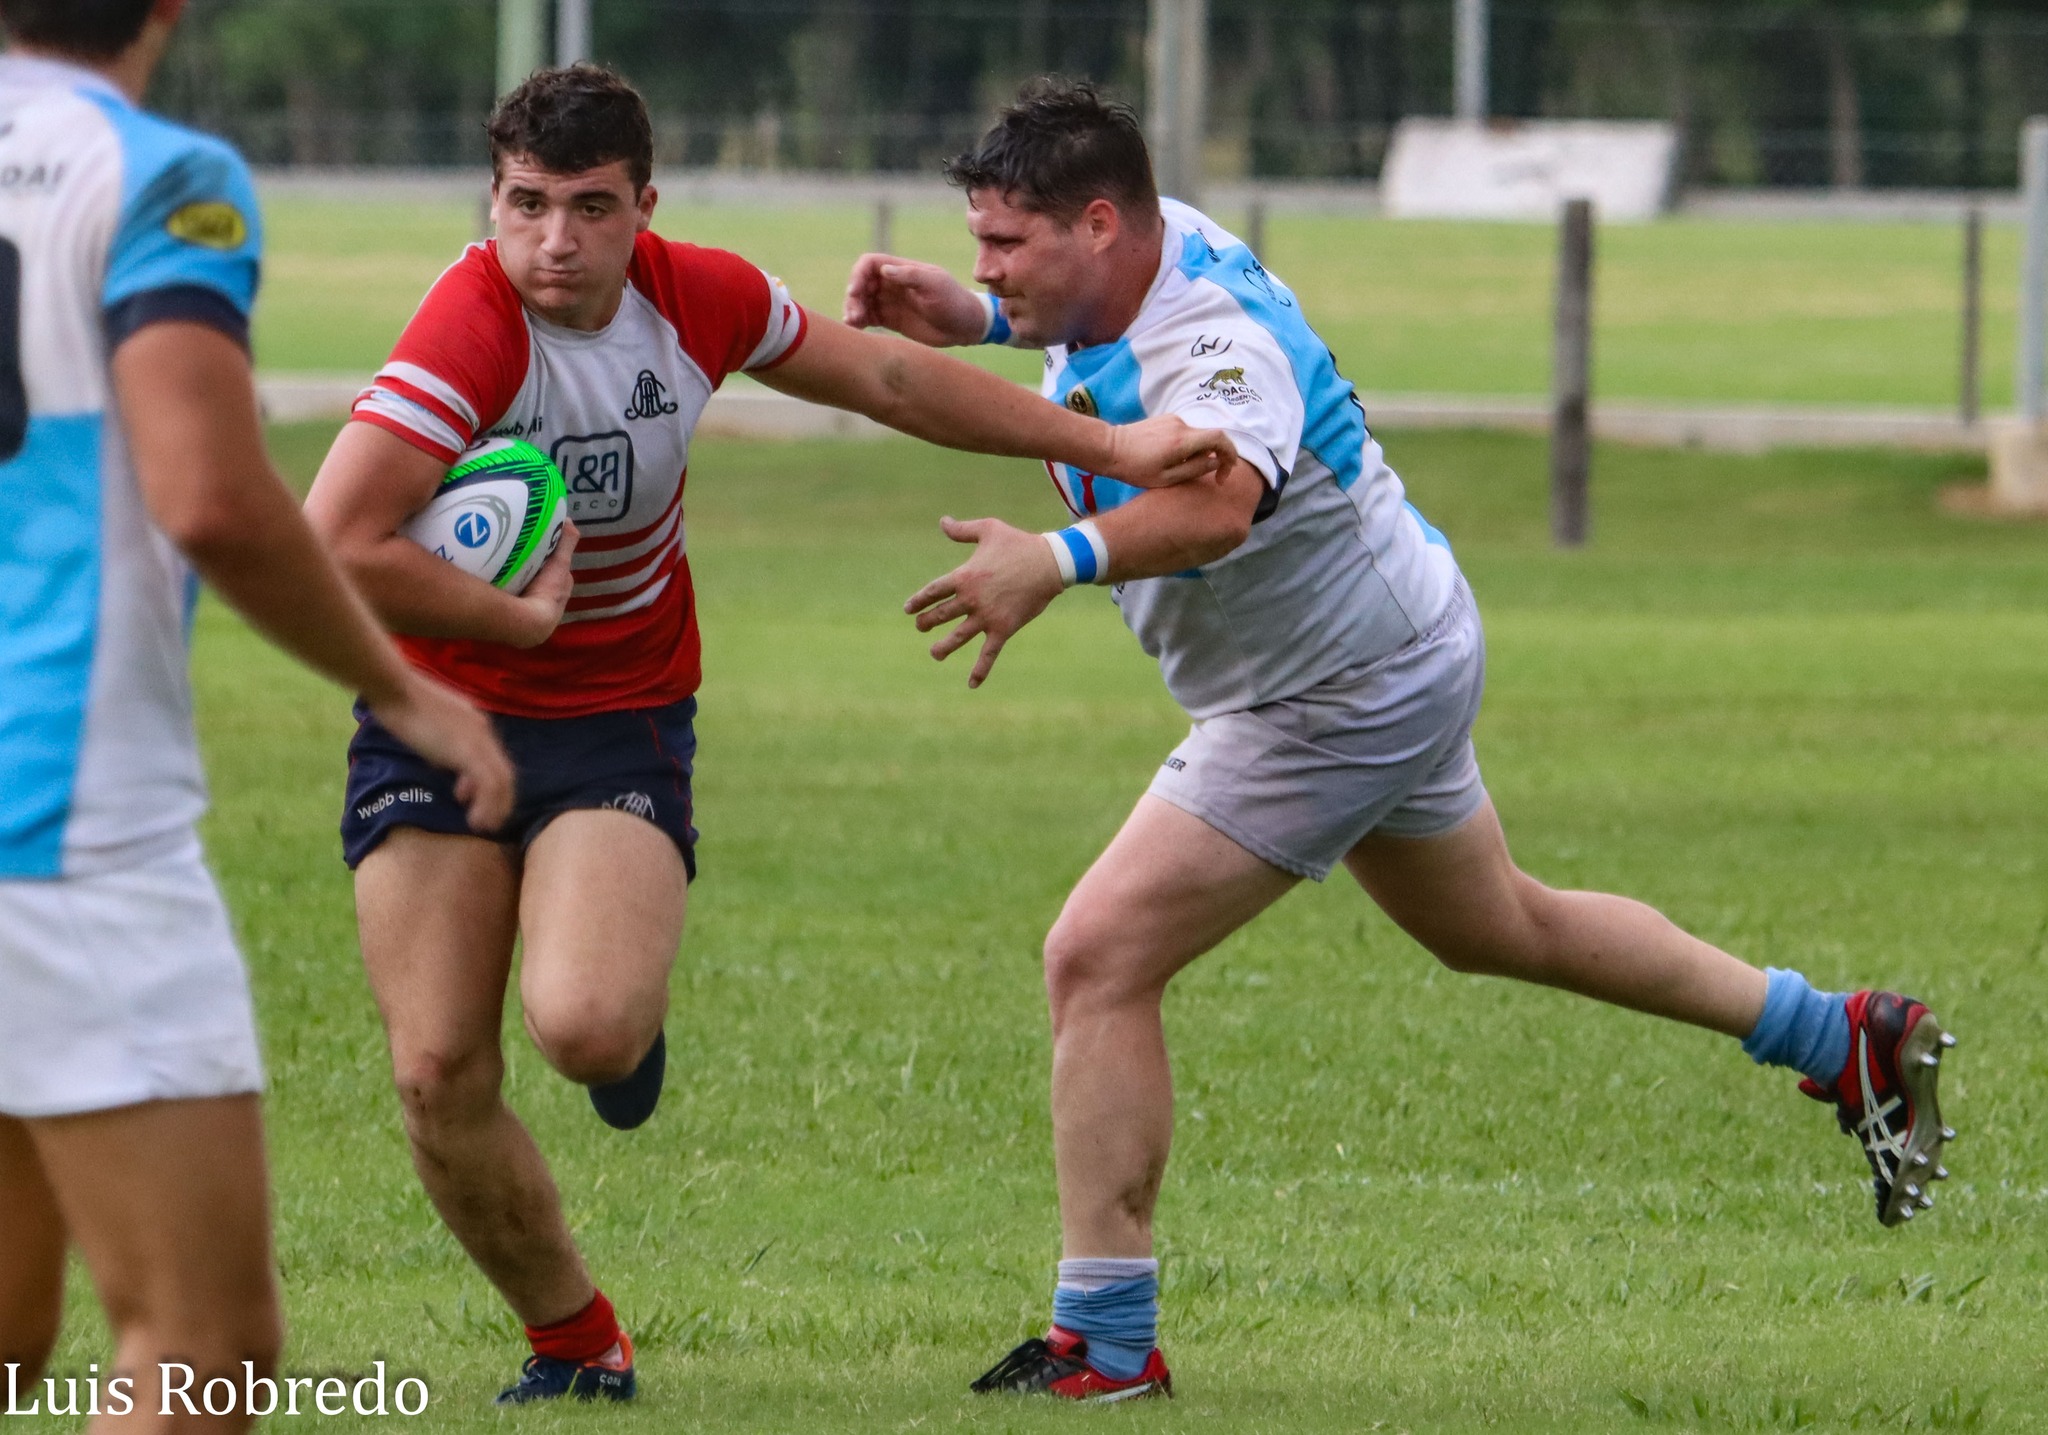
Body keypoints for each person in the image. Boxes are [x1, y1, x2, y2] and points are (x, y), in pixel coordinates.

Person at [845, 79, 1960, 1403]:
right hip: (1397, 634)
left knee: (1096, 958)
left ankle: (1107, 1344)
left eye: (1004, 247)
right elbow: (1094, 350)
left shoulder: (1215, 343)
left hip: (1335, 692)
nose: (986, 266)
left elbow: (1216, 507)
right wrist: (973, 313)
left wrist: (1061, 558)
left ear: (1100, 224)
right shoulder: (1148, 242)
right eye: (979, 243)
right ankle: (1840, 1038)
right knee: (1498, 926)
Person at [302, 65, 1231, 1407]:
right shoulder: (469, 333)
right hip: (433, 716)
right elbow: (334, 543)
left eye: (589, 208)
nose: (553, 242)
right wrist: (513, 625)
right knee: (438, 1072)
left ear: (644, 209)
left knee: (586, 1029)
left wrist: (1116, 442)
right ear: (491, 201)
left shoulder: (700, 297)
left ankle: (624, 1029)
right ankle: (574, 1341)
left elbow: (891, 379)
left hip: (617, 715)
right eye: (524, 206)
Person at [0, 2, 515, 1430]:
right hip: (58, 816)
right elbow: (215, 496)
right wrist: (404, 685)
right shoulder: (163, 177)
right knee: (200, 1343)